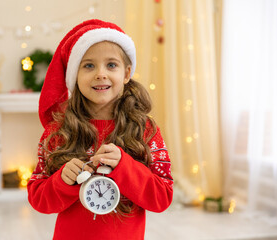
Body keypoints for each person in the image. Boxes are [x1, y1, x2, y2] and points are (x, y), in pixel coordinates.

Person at [27, 19, 173, 240]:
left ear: (126, 73)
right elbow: (38, 200)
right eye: (88, 65)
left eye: (111, 65)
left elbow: (162, 197)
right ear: (75, 76)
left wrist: (125, 167)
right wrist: (61, 181)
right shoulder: (58, 132)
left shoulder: (145, 130)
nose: (100, 74)